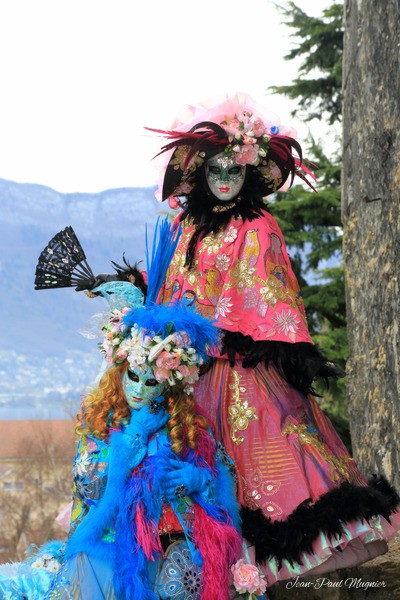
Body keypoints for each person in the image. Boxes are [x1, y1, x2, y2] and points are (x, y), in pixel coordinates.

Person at [142, 93, 400, 584]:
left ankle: (257, 568)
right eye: (214, 170)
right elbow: (172, 291)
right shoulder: (184, 225)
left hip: (248, 370)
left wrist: (231, 334)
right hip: (190, 372)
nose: (222, 179)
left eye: (232, 170)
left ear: (248, 172)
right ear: (198, 173)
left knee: (267, 461)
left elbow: (270, 295)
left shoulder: (259, 226)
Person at [0, 226, 249, 600]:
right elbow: (92, 489)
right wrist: (131, 438)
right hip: (112, 546)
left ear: (170, 383)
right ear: (120, 369)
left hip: (176, 553)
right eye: (133, 377)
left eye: (152, 383)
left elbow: (224, 475)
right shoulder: (99, 419)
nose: (138, 390)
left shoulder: (188, 424)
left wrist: (198, 480)